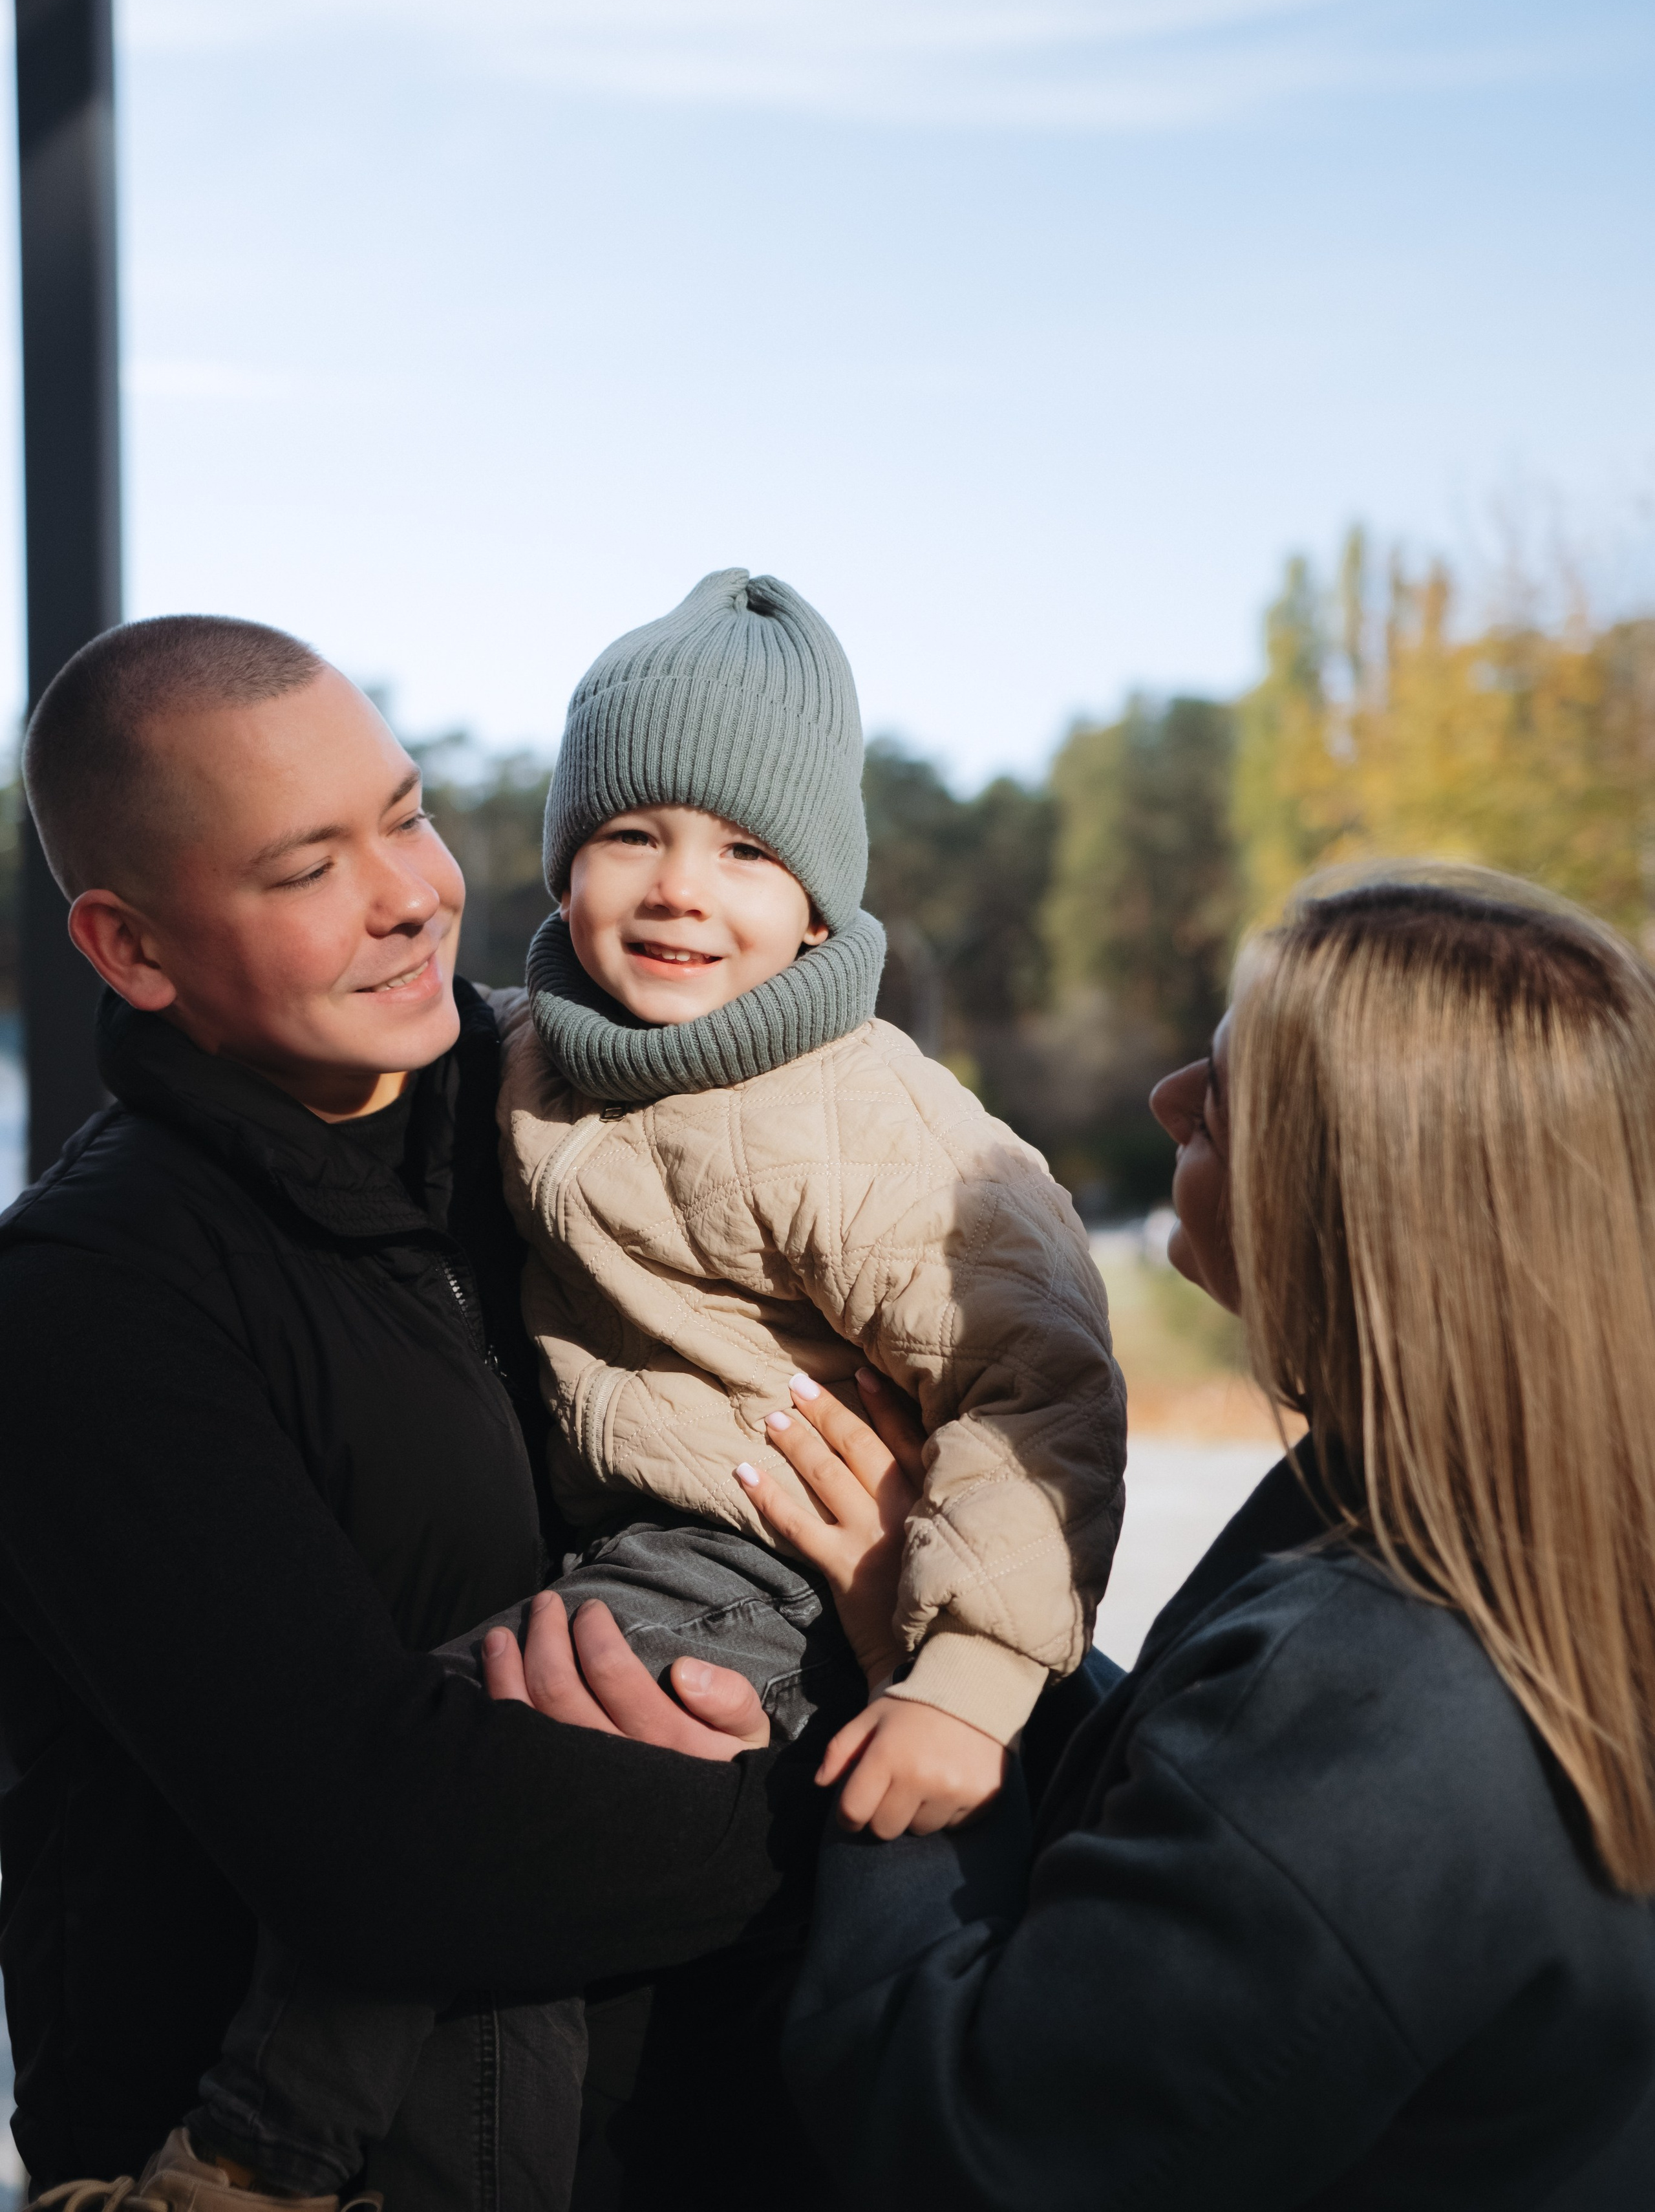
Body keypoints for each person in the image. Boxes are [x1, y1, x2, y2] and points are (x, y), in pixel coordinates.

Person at [178, 564, 1129, 2202]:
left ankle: (252, 2161)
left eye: (748, 852)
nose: (684, 889)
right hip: (624, 1543)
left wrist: (967, 1682)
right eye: (633, 836)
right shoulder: (526, 1051)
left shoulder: (870, 1124)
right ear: (561, 857)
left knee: (443, 1791)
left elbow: (1041, 1393)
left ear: (822, 907)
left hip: (753, 1551)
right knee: (508, 1894)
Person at [504, 868, 1655, 2202]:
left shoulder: (1378, 1705)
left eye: (1223, 1098)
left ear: (1355, 1203)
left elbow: (974, 2146)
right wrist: (938, 1627)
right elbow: (1195, 1794)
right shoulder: (1486, 1529)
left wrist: (905, 1718)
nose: (1166, 1100)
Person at [0, 617, 814, 2212]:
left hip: (672, 2139)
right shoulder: (87, 1301)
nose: (411, 894)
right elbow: (380, 1859)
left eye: (408, 814)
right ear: (131, 948)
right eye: (309, 870)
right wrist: (793, 1814)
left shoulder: (574, 1131)